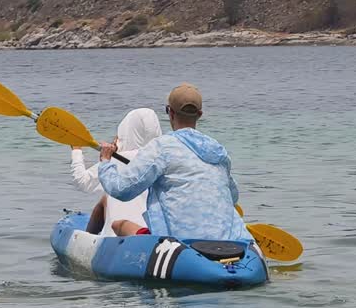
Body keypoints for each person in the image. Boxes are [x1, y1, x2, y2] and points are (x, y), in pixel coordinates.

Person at [97, 83, 249, 241]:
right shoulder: (218, 150)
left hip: (181, 243)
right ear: (199, 114)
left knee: (121, 225)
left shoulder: (161, 147)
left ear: (170, 112)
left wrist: (106, 162)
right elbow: (233, 196)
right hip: (230, 241)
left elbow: (121, 190)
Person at [70, 108, 161, 236]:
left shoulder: (116, 160)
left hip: (117, 235)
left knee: (105, 198)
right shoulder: (162, 160)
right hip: (153, 235)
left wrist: (76, 149)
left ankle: (88, 237)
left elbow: (81, 181)